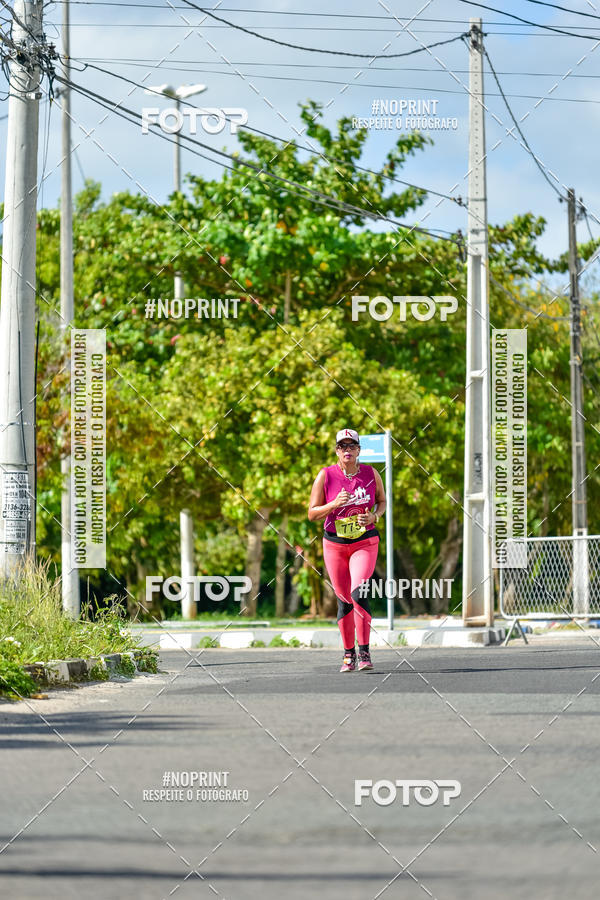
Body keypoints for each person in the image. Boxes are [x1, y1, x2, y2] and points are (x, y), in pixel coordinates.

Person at [308, 428, 386, 672]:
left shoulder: (370, 474)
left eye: (352, 446)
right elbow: (311, 513)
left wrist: (375, 515)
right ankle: (348, 653)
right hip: (335, 544)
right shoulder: (326, 475)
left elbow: (382, 501)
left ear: (359, 450)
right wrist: (333, 504)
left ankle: (364, 651)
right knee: (344, 600)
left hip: (365, 541)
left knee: (359, 592)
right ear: (336, 451)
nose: (347, 450)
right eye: (343, 446)